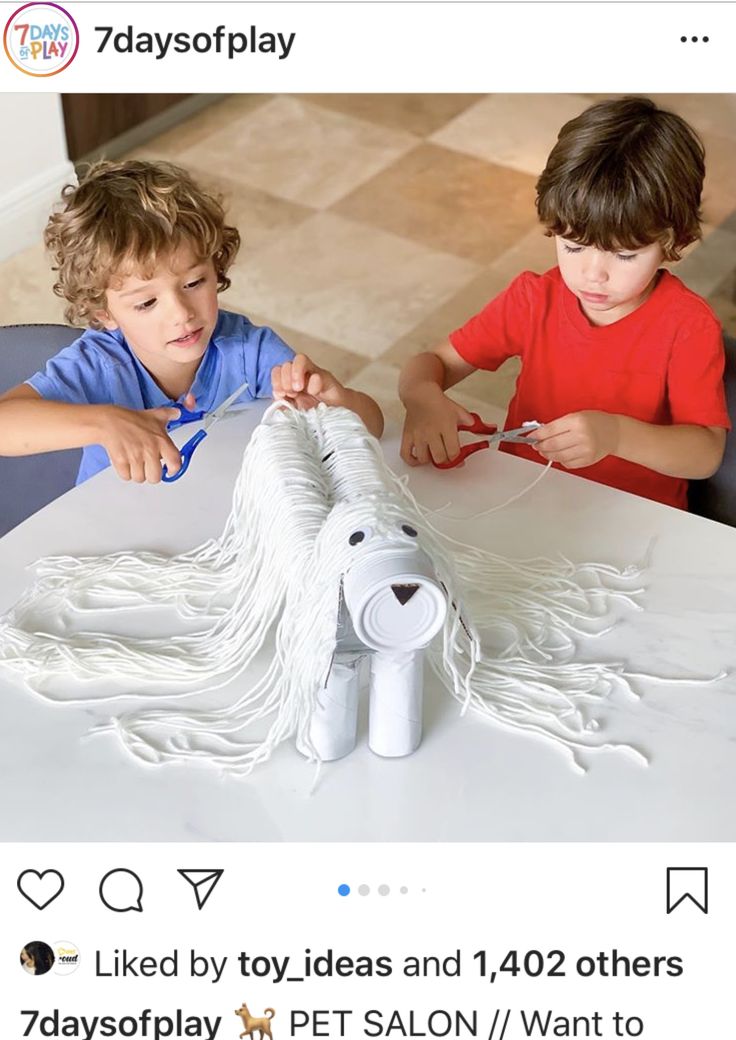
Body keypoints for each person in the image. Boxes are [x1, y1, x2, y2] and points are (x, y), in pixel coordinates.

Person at [399, 97, 730, 510]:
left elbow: (705, 453)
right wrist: (422, 397)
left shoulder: (688, 325)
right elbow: (433, 362)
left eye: (625, 255)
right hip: (523, 498)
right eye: (573, 246)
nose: (593, 273)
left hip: (634, 517)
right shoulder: (534, 299)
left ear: (673, 241)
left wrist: (614, 436)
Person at [0, 160, 383, 484]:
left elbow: (375, 427)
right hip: (118, 540)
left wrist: (337, 401)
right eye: (147, 302)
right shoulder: (98, 366)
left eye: (194, 283)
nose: (182, 314)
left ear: (216, 269)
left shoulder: (250, 352)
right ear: (104, 314)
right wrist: (105, 422)